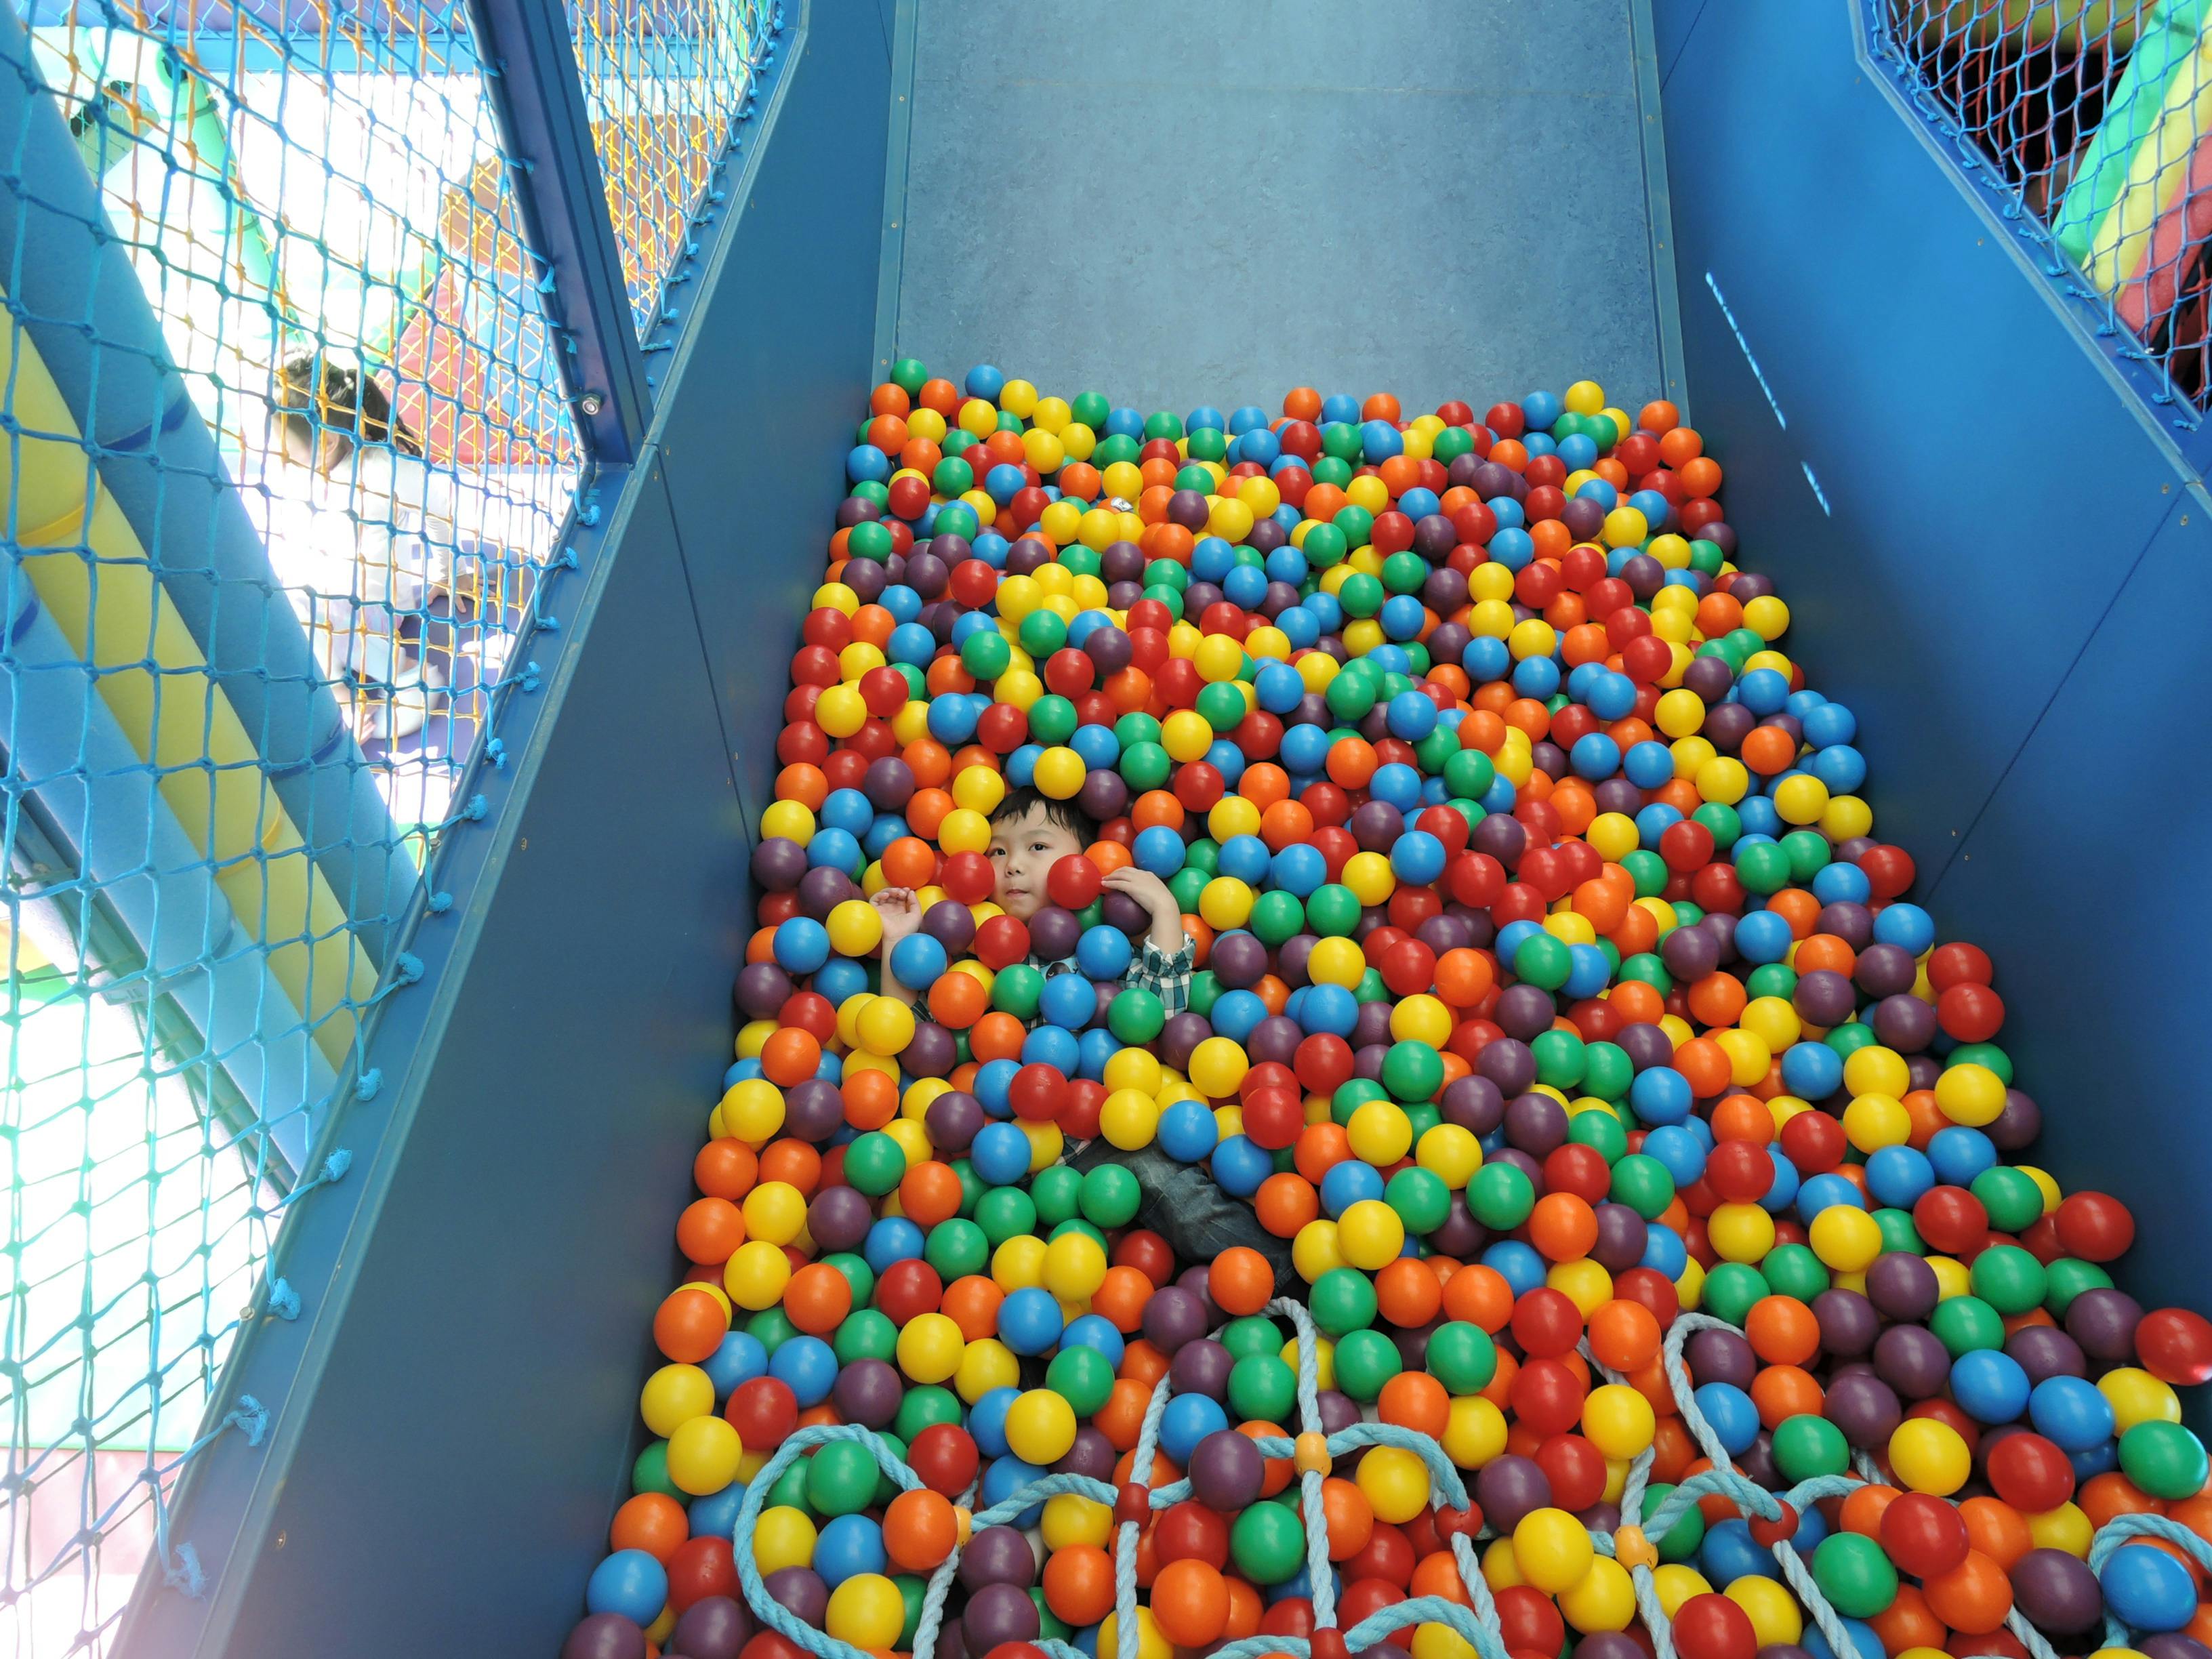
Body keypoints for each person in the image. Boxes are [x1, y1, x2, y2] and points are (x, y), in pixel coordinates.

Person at [869, 786, 1295, 1280]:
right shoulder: (972, 961)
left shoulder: (1101, 947)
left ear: (1086, 866)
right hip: (1000, 1153)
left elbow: (1160, 1011)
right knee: (973, 1251)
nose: (1011, 865)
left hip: (1104, 1134)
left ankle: (1282, 1276)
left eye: (1038, 847)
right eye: (998, 851)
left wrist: (1163, 910)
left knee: (1175, 1196)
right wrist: (898, 944)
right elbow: (912, 1040)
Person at [266, 352, 457, 744]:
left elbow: (441, 510)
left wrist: (444, 571)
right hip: (319, 612)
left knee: (314, 614)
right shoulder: (304, 473)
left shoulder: (382, 469)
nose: (280, 457)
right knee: (292, 603)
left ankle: (403, 677)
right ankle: (339, 690)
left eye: (286, 449)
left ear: (328, 442)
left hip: (374, 617)